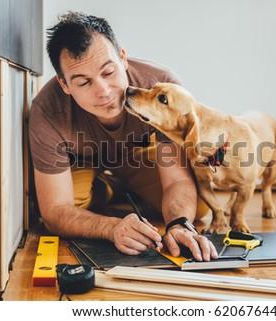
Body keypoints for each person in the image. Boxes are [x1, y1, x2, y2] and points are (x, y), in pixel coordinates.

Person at [29, 11, 218, 261]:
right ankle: (107, 188)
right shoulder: (46, 110)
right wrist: (111, 228)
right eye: (84, 83)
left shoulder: (162, 86)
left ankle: (119, 185)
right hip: (81, 161)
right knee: (74, 206)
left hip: (136, 155)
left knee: (200, 206)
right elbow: (54, 211)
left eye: (108, 73)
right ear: (64, 84)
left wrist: (179, 224)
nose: (104, 92)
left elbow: (175, 182)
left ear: (123, 58)